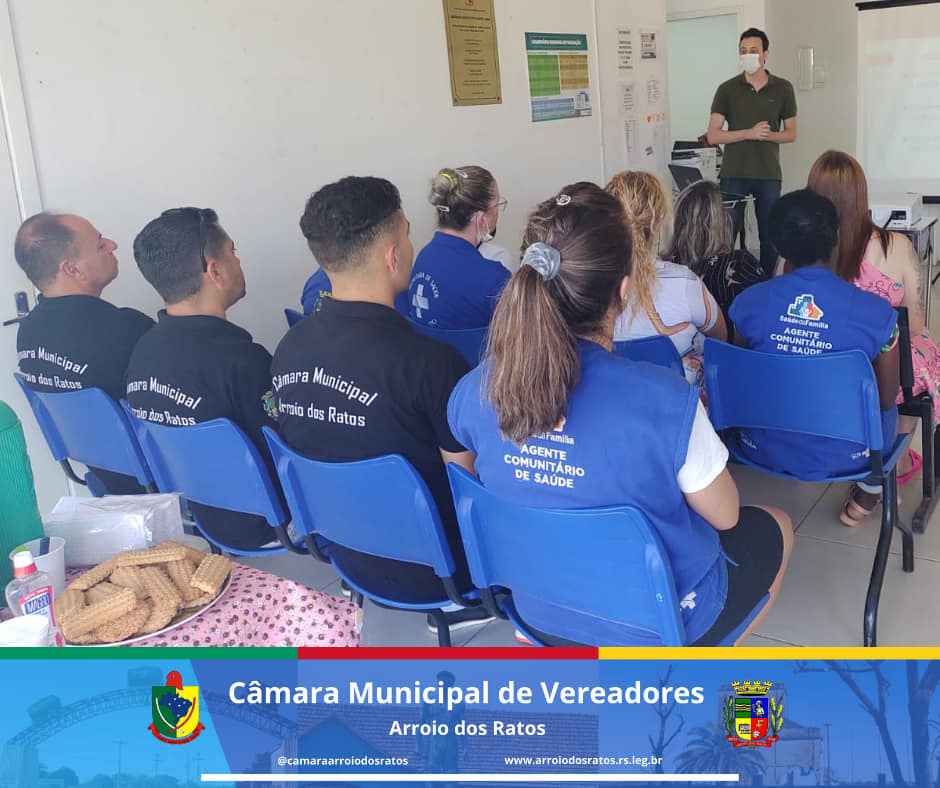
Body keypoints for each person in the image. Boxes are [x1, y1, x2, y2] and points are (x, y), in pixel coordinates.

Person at [448, 182, 791, 646]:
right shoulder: (666, 400)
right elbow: (726, 516)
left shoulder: (474, 389)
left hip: (538, 611)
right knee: (776, 522)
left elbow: (472, 487)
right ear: (624, 290)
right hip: (658, 623)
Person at [272, 175, 491, 633]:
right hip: (439, 574)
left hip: (345, 554)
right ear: (392, 256)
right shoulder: (430, 362)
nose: (411, 247)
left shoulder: (288, 349)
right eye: (407, 235)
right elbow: (468, 484)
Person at [730, 189, 900, 526]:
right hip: (851, 454)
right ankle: (870, 488)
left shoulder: (747, 304)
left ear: (779, 248)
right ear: (836, 237)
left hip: (759, 446)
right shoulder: (877, 313)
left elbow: (741, 376)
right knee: (892, 408)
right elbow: (885, 398)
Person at [126, 207, 279, 550]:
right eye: (233, 252)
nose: (238, 262)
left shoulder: (142, 353)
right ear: (215, 270)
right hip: (265, 523)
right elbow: (286, 450)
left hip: (196, 514)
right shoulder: (243, 361)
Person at [808, 149, 940, 484]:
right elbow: (915, 325)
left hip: (820, 369)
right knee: (921, 347)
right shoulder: (896, 246)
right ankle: (894, 461)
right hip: (883, 375)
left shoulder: (796, 252)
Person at [13, 212, 155, 494]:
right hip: (156, 483)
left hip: (107, 480)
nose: (113, 245)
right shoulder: (125, 328)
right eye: (100, 244)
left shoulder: (28, 333)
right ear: (72, 269)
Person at [606, 171, 727, 386]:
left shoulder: (588, 285)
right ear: (657, 224)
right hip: (681, 400)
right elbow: (720, 338)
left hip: (615, 398)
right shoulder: (684, 282)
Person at [707, 27, 797, 277]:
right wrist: (748, 133)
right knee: (725, 236)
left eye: (753, 51)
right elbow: (713, 135)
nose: (748, 55)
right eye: (743, 51)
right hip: (733, 173)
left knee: (770, 236)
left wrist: (766, 135)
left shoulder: (783, 88)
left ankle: (767, 284)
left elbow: (791, 133)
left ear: (765, 54)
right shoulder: (726, 89)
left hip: (768, 174)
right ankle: (722, 284)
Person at [407, 166, 510, 329]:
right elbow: (522, 337)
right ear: (481, 219)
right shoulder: (494, 278)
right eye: (497, 205)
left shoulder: (422, 258)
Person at [668, 179, 767, 341]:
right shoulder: (740, 264)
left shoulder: (665, 268)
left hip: (682, 354)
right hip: (730, 353)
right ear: (721, 221)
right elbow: (766, 319)